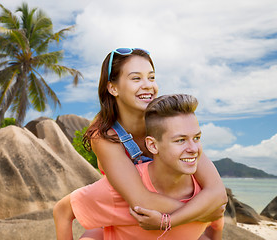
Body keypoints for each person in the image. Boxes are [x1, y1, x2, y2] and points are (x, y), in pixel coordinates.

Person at [54, 49, 227, 238]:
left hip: (158, 210)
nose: (148, 86)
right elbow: (141, 200)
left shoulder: (165, 121)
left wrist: (180, 218)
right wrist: (204, 213)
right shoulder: (104, 134)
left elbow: (216, 189)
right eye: (136, 79)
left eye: (151, 78)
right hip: (121, 209)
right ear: (113, 88)